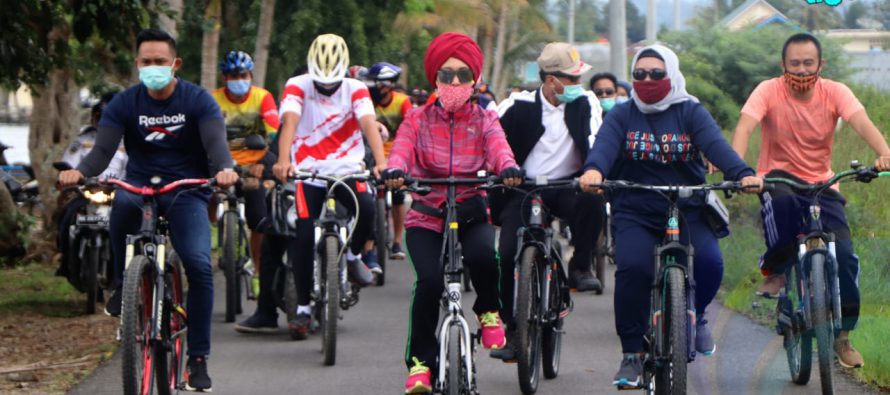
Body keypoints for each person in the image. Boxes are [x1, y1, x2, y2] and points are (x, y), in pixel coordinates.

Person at [57, 28, 238, 392]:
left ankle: (198, 358)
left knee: (200, 266)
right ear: (137, 64)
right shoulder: (124, 104)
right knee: (120, 206)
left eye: (160, 62)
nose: (153, 67)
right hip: (138, 185)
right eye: (146, 62)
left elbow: (216, 144)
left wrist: (224, 168)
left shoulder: (198, 101)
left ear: (175, 64)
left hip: (187, 189)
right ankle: (124, 285)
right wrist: (82, 172)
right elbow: (101, 152)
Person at [579, 44, 762, 388]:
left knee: (710, 262)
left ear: (672, 75)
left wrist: (743, 173)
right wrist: (593, 171)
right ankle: (632, 353)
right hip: (636, 206)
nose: (647, 80)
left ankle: (699, 314)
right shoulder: (622, 113)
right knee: (633, 268)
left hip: (687, 204)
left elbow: (716, 146)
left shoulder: (690, 112)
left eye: (657, 73)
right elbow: (604, 147)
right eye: (640, 74)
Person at [730, 32, 890, 369]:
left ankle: (843, 337)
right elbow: (745, 127)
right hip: (778, 180)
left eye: (808, 64)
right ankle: (776, 270)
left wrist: (884, 152)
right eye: (794, 64)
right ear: (783, 65)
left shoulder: (835, 92)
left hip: (822, 183)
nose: (802, 71)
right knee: (783, 205)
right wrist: (739, 169)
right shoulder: (768, 90)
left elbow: (861, 122)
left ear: (820, 64)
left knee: (844, 257)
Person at [382, 32, 522, 394]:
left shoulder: (486, 120)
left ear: (474, 79)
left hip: (471, 210)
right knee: (428, 283)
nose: (455, 82)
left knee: (486, 258)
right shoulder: (416, 118)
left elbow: (499, 149)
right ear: (435, 79)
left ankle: (488, 310)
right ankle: (419, 364)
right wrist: (396, 171)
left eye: (463, 75)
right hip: (427, 214)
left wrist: (507, 168)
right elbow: (401, 149)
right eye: (446, 75)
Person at [489, 41, 605, 361]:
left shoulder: (586, 101)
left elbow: (596, 141)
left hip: (570, 186)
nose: (577, 85)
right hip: (524, 189)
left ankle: (580, 266)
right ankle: (513, 331)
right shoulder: (516, 104)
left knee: (595, 202)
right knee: (507, 252)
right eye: (571, 79)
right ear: (550, 80)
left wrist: (593, 172)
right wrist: (503, 169)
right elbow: (492, 138)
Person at [272, 34, 386, 340]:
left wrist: (380, 162)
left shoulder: (357, 88)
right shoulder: (297, 85)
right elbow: (290, 124)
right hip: (307, 171)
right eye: (321, 83)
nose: (326, 88)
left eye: (332, 82)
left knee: (369, 209)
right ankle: (304, 309)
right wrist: (284, 160)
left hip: (348, 168)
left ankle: (351, 258)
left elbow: (368, 125)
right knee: (304, 234)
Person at [211, 50, 280, 297]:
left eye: (242, 74)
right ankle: (211, 232)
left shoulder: (263, 98)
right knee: (203, 191)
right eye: (232, 75)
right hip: (221, 166)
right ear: (224, 77)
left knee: (259, 219)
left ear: (250, 75)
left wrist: (266, 162)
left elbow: (275, 137)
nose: (237, 79)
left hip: (253, 168)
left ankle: (258, 271)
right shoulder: (213, 99)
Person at [55, 92, 127, 280]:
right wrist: (67, 176)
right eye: (100, 118)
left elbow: (132, 169)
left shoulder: (127, 142)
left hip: (116, 193)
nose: (104, 123)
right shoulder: (82, 141)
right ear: (94, 119)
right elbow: (69, 163)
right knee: (66, 215)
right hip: (86, 193)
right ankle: (63, 255)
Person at [365, 62, 412, 262]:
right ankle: (370, 244)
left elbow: (411, 129)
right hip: (370, 156)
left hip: (396, 156)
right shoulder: (366, 101)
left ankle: (397, 241)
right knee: (369, 195)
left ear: (387, 85)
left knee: (399, 196)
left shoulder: (402, 102)